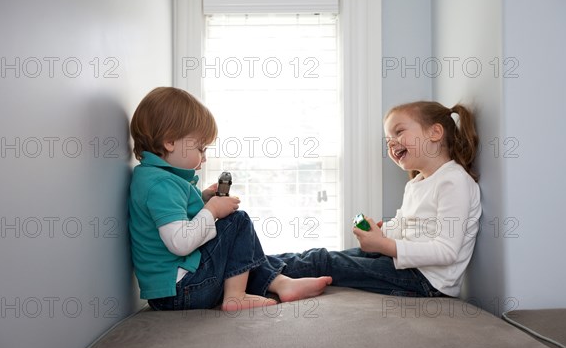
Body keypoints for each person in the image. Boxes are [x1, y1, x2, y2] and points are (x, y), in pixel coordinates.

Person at [128, 87, 332, 311]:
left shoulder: (156, 177)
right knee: (238, 221)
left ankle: (282, 284)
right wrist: (213, 210)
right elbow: (180, 242)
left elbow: (178, 217)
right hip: (183, 290)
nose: (204, 157)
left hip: (171, 291)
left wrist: (204, 198)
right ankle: (236, 296)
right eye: (200, 148)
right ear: (169, 142)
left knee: (242, 254)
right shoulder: (162, 184)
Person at [272, 101, 482, 298]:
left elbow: (446, 252)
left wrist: (383, 245)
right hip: (406, 265)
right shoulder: (416, 183)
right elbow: (403, 227)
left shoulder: (453, 181)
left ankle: (257, 273)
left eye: (398, 132)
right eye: (388, 140)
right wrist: (380, 234)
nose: (391, 144)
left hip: (428, 283)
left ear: (435, 132)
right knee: (321, 256)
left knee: (323, 261)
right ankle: (257, 269)